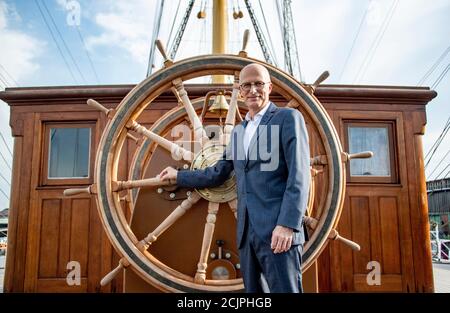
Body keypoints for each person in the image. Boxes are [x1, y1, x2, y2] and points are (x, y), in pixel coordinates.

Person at [159, 63, 310, 293]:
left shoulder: (288, 118)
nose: (253, 90)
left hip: (279, 232)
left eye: (258, 84)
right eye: (247, 85)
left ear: (269, 87)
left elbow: (299, 174)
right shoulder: (239, 132)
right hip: (247, 234)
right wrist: (179, 176)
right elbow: (218, 173)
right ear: (239, 92)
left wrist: (287, 225)